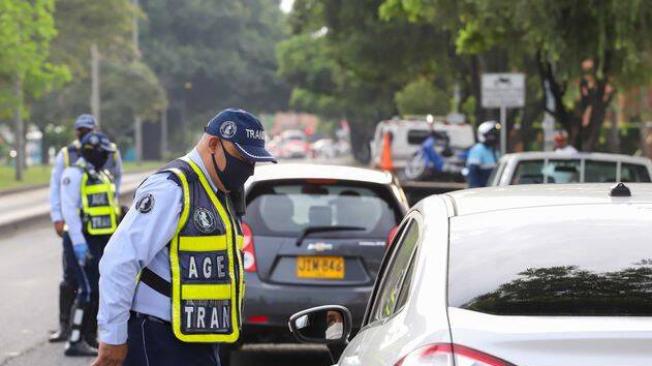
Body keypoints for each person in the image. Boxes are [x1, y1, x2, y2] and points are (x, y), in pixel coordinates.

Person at [93, 108, 276, 366]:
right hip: (159, 339)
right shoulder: (171, 188)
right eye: (242, 158)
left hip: (195, 340)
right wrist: (113, 338)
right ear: (214, 143)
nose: (249, 169)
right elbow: (119, 261)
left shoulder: (220, 192)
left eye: (253, 162)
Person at [48, 114, 122, 344]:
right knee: (74, 281)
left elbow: (116, 182)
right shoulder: (68, 157)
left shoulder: (107, 155)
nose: (83, 133)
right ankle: (67, 329)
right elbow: (58, 189)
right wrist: (57, 217)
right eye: (80, 129)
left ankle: (87, 333)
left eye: (87, 129)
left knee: (95, 287)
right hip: (80, 231)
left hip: (100, 234)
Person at [466, 121, 500, 188]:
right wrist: (475, 189)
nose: (493, 138)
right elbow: (473, 172)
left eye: (494, 135)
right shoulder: (478, 149)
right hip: (481, 189)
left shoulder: (494, 150)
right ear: (483, 135)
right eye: (490, 135)